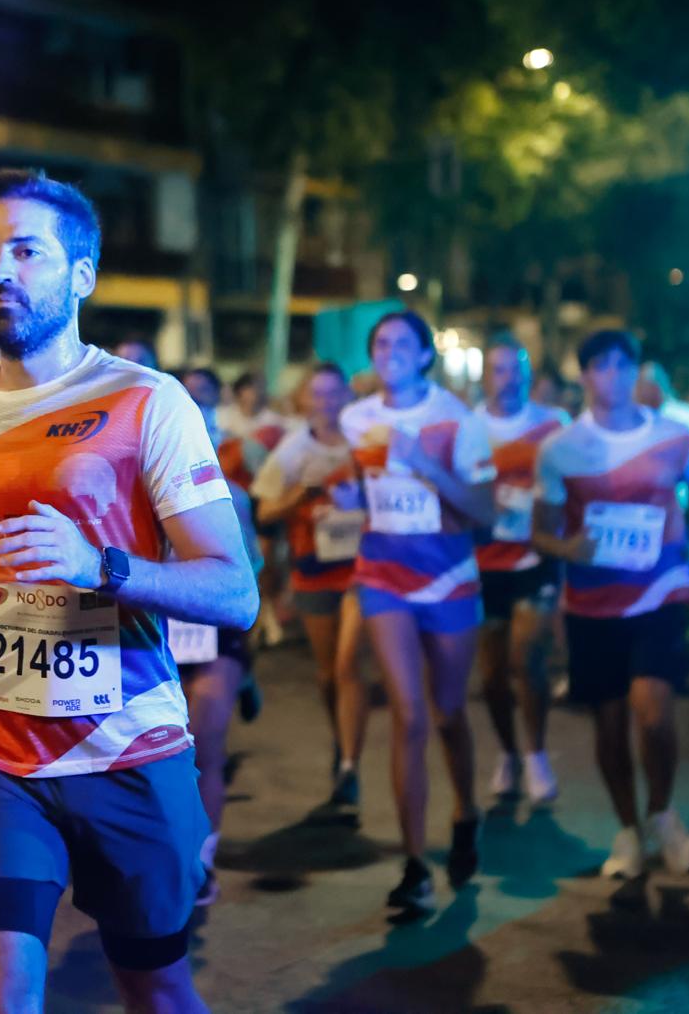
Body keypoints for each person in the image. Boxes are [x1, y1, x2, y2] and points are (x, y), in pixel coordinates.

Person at [0, 169, 257, 1011]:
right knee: (1, 1000)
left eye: (27, 252)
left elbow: (234, 591)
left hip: (126, 747)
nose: (2, 271)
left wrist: (98, 563)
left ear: (83, 274)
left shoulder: (148, 403)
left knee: (157, 990)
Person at [533, 329, 689, 880]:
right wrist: (566, 547)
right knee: (610, 723)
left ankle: (663, 813)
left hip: (661, 590)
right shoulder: (560, 448)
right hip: (592, 601)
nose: (614, 376)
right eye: (602, 365)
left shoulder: (674, 437)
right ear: (584, 376)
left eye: (624, 365)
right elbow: (540, 533)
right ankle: (627, 831)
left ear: (638, 372)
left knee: (654, 709)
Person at [340, 311, 496, 916]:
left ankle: (467, 811)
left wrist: (427, 465)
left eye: (403, 343)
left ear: (426, 355)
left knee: (448, 711)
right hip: (383, 575)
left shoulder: (457, 419)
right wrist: (351, 498)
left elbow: (484, 510)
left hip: (450, 578)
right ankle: (414, 866)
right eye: (381, 343)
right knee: (408, 714)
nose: (391, 352)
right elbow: (368, 489)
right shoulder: (357, 418)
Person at [253, 363, 367, 808]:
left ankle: (350, 764)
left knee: (348, 664)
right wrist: (300, 494)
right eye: (316, 393)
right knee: (328, 673)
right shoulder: (292, 450)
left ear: (347, 397)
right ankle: (341, 740)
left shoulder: (364, 441)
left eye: (333, 392)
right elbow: (264, 512)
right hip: (314, 570)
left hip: (363, 570)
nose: (325, 402)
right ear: (302, 400)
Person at [176, 367, 263, 905]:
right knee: (165, 749)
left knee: (205, 741)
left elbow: (251, 568)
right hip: (157, 631)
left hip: (214, 632)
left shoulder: (234, 497)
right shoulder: (133, 494)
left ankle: (202, 859)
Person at [474, 336, 567, 804]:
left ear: (528, 376)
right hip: (481, 564)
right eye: (499, 370)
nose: (508, 379)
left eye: (517, 370)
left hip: (535, 558)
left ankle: (536, 754)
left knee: (526, 660)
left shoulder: (554, 425)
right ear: (485, 376)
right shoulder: (467, 427)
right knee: (492, 674)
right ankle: (507, 752)